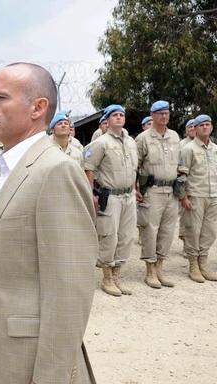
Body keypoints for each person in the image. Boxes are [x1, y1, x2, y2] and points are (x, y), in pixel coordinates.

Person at [0, 63, 97, 384]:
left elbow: (70, 288)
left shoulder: (55, 171)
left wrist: (50, 376)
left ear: (37, 108)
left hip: (34, 360)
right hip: (6, 350)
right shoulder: (7, 167)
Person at [84, 104, 138, 297]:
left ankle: (117, 276)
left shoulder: (131, 141)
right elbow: (88, 167)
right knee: (110, 235)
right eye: (115, 115)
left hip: (128, 195)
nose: (119, 117)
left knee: (126, 236)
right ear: (107, 120)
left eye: (121, 114)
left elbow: (134, 168)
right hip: (111, 195)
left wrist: (134, 189)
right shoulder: (102, 142)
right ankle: (107, 277)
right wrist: (91, 193)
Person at [135, 100, 179, 289]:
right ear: (152, 115)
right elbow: (134, 166)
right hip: (152, 190)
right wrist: (135, 188)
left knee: (168, 231)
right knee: (150, 230)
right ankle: (150, 270)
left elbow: (180, 163)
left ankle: (160, 267)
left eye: (167, 113)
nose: (164, 116)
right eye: (160, 113)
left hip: (172, 190)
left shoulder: (175, 136)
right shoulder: (143, 138)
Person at [178, 114, 217, 283]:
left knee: (210, 231)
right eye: (202, 125)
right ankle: (193, 265)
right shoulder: (189, 149)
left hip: (213, 195)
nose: (205, 128)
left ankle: (203, 263)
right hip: (195, 195)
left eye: (208, 125)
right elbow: (181, 175)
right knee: (193, 230)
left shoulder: (215, 149)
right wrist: (183, 197)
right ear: (196, 128)